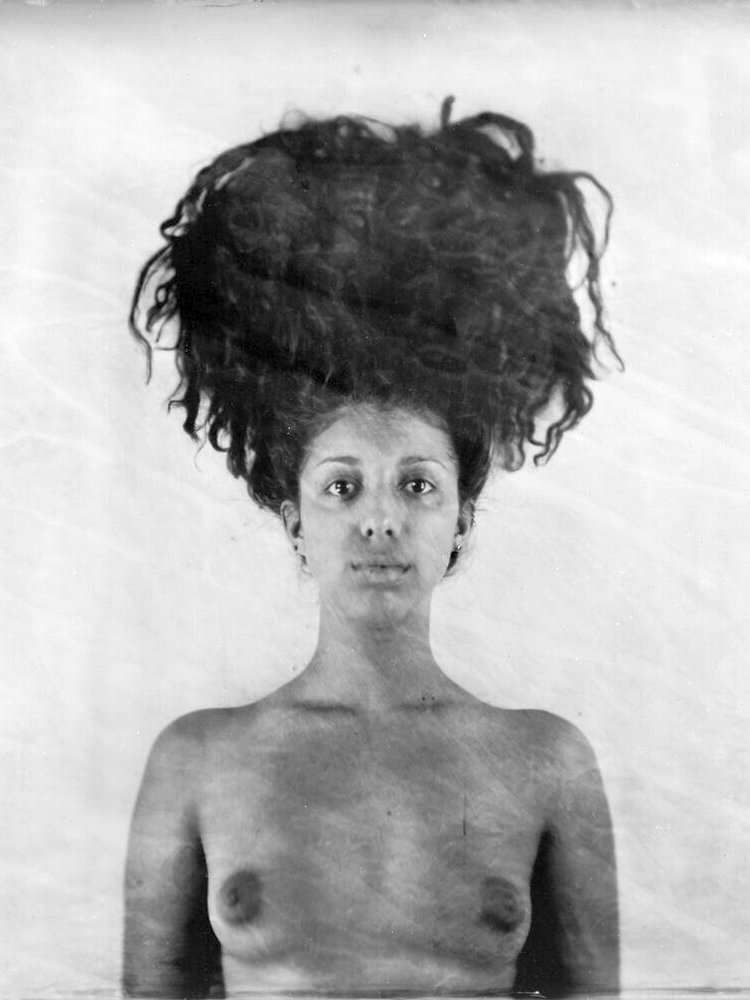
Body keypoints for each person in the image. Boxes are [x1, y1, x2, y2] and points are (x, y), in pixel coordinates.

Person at [123, 98, 620, 998]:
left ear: (460, 518)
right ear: (293, 518)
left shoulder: (547, 763)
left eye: (417, 485)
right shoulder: (197, 761)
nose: (380, 520)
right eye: (342, 486)